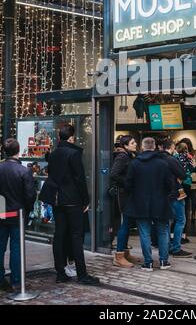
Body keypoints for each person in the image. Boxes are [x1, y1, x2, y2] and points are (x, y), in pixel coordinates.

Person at [47, 124, 99, 285]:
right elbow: (79, 179)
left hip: (57, 199)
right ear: (71, 137)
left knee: (59, 235)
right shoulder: (74, 153)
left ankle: (60, 272)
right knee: (76, 236)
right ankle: (82, 275)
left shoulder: (53, 153)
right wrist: (86, 200)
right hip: (73, 200)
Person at [125, 137, 173, 271]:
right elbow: (170, 184)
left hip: (140, 203)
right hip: (160, 202)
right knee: (163, 232)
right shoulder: (163, 163)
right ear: (155, 147)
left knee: (144, 233)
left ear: (142, 147)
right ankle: (164, 261)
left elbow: (128, 184)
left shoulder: (135, 163)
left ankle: (148, 263)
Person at [0, 138, 36, 291]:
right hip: (18, 214)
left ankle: (1, 279)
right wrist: (28, 210)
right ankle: (16, 280)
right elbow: (30, 195)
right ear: (18, 150)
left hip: (2, 212)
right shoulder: (23, 170)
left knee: (0, 247)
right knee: (16, 248)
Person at [158, 138, 191, 258]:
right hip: (174, 193)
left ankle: (165, 247)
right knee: (181, 220)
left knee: (166, 222)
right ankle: (176, 248)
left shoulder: (156, 159)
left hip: (161, 194)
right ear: (171, 147)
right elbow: (182, 174)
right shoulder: (171, 159)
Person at [110, 135, 138, 268]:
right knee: (125, 224)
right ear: (126, 146)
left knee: (128, 223)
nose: (135, 144)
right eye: (132, 142)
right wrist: (127, 183)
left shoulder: (130, 155)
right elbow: (114, 174)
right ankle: (119, 255)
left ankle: (125, 253)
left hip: (129, 194)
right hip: (124, 195)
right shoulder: (122, 157)